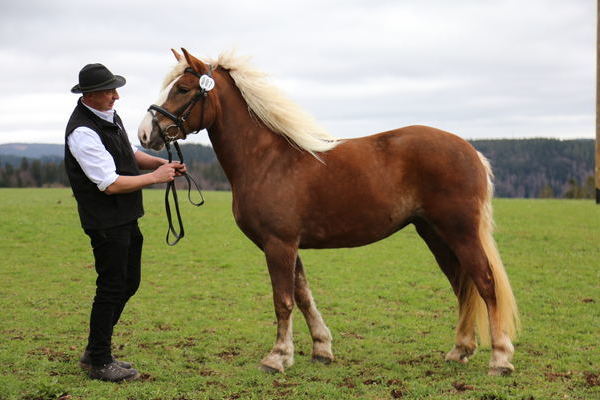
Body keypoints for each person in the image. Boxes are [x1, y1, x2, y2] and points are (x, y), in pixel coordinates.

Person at [64, 63, 183, 382]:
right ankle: (99, 359)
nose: (116, 95)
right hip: (105, 222)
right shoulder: (83, 132)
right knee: (111, 287)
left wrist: (159, 162)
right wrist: (155, 178)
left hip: (126, 217)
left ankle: (95, 350)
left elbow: (127, 154)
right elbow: (110, 183)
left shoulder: (108, 118)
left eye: (115, 89)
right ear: (89, 96)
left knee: (128, 283)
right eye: (108, 91)